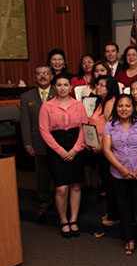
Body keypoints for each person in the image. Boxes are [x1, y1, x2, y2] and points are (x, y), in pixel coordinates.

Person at [102, 95, 137, 256]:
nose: (124, 109)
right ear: (115, 108)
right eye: (120, 106)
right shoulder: (110, 125)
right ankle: (129, 239)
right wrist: (121, 169)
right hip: (119, 174)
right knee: (124, 207)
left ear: (133, 108)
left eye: (127, 106)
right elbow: (106, 149)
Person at [39, 73, 88, 238]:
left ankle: (73, 219)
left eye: (65, 85)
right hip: (56, 148)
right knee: (61, 188)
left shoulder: (78, 105)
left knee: (75, 185)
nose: (62, 88)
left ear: (71, 87)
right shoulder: (47, 106)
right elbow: (44, 131)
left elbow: (84, 128)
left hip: (76, 147)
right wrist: (60, 151)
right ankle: (63, 220)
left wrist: (75, 149)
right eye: (59, 85)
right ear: (54, 87)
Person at [20, 65, 56, 219]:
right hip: (38, 141)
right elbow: (25, 122)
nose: (42, 76)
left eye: (45, 73)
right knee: (42, 174)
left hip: (58, 142)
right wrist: (28, 143)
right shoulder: (26, 97)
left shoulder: (59, 92)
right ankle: (44, 201)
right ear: (34, 77)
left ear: (51, 76)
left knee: (59, 173)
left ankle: (61, 200)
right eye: (39, 74)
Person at [89, 75, 120, 227]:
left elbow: (111, 128)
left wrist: (101, 147)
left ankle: (114, 215)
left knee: (110, 183)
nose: (98, 87)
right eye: (98, 84)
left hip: (107, 149)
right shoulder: (102, 102)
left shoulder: (110, 102)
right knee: (108, 182)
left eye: (102, 85)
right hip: (100, 147)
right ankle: (112, 212)